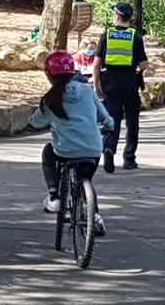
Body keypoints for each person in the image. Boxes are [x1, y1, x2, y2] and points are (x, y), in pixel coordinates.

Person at [29, 51, 114, 236]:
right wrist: (108, 126)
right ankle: (95, 216)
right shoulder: (86, 90)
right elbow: (105, 118)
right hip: (92, 150)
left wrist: (32, 124)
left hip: (64, 150)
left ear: (49, 75)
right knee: (86, 180)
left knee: (48, 152)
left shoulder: (50, 100)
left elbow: (35, 122)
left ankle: (54, 195)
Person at [93, 3, 149, 173]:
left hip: (110, 82)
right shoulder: (135, 37)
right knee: (132, 122)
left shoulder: (106, 36)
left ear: (117, 16)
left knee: (112, 119)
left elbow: (96, 64)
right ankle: (129, 159)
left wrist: (97, 85)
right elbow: (143, 64)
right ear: (130, 18)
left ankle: (109, 148)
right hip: (130, 83)